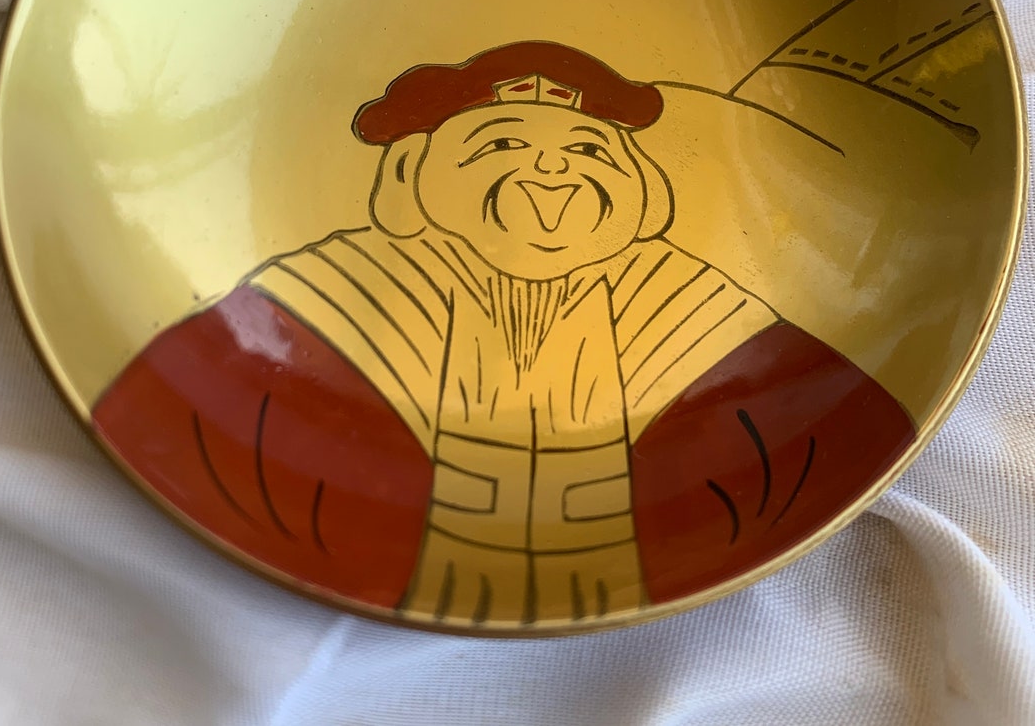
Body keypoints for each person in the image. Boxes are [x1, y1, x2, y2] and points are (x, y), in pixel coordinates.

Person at [92, 42, 915, 628]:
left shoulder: (704, 313)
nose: (553, 167)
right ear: (409, 178)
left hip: (658, 623)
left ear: (645, 191)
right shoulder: (322, 299)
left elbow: (836, 438)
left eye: (589, 146)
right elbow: (178, 423)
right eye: (503, 141)